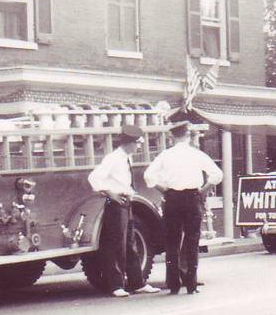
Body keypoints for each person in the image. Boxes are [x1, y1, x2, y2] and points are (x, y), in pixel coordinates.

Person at [143, 121, 223, 294]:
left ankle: (173, 284)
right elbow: (217, 174)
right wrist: (203, 191)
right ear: (188, 136)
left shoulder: (165, 155)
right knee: (192, 240)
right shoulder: (197, 154)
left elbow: (148, 175)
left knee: (171, 241)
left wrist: (163, 189)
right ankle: (191, 284)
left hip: (172, 198)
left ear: (172, 137)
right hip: (192, 198)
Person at [87, 124, 162, 297]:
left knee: (130, 243)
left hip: (126, 202)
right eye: (137, 143)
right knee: (116, 245)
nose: (138, 147)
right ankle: (116, 286)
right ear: (129, 142)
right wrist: (111, 194)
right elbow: (94, 177)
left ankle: (137, 283)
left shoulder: (126, 158)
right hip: (116, 204)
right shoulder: (113, 158)